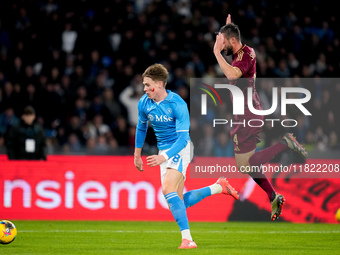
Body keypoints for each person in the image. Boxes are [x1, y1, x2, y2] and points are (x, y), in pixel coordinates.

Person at [213, 14, 308, 220]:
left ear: (232, 41)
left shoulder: (245, 56)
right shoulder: (240, 51)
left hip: (248, 112)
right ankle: (272, 195)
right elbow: (233, 51)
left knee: (246, 164)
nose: (220, 45)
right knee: (246, 164)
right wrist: (227, 29)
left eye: (223, 42)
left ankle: (285, 143)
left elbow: (232, 75)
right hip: (246, 111)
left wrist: (216, 53)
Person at [134, 63, 239, 249]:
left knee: (167, 190)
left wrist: (163, 157)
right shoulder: (144, 102)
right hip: (165, 152)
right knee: (176, 201)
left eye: (147, 84)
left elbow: (183, 139)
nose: (144, 89)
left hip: (181, 149)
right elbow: (141, 126)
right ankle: (218, 187)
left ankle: (188, 239)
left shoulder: (178, 104)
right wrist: (137, 154)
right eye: (143, 84)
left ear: (159, 84)